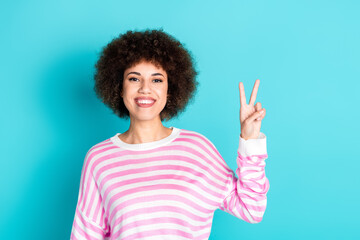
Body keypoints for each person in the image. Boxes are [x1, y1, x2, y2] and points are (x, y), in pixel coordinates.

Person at [70, 29, 269, 240]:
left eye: (156, 80)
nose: (145, 89)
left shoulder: (197, 149)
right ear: (120, 88)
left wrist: (250, 141)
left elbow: (251, 209)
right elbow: (85, 235)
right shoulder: (99, 159)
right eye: (134, 79)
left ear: (170, 90)